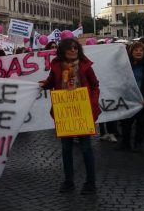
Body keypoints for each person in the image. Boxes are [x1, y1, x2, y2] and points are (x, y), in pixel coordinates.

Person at [39, 38, 100, 195]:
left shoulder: (86, 66)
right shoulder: (57, 67)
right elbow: (51, 82)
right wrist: (42, 85)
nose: (73, 50)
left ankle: (90, 182)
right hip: (65, 112)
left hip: (83, 110)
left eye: (75, 48)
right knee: (66, 149)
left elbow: (95, 85)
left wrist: (92, 103)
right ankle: (68, 181)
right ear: (63, 50)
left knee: (86, 148)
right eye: (70, 48)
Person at [119, 42, 144, 152]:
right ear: (131, 52)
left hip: (142, 100)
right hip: (128, 99)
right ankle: (125, 143)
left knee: (141, 124)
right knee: (126, 123)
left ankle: (138, 144)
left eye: (141, 50)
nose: (138, 52)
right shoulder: (125, 65)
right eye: (136, 50)